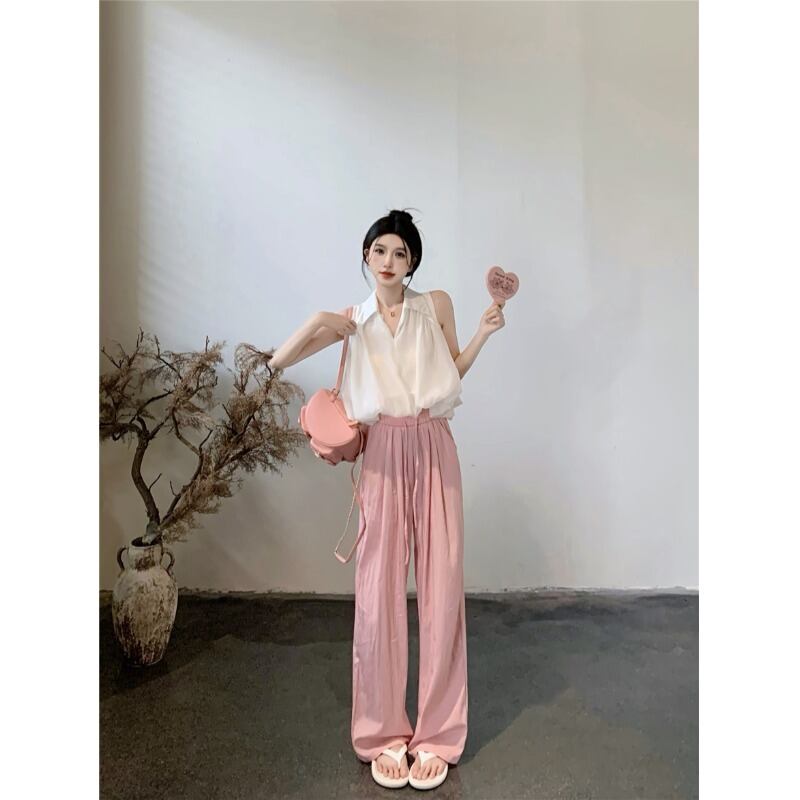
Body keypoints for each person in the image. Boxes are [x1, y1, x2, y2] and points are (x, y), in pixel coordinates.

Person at [268, 209, 505, 788]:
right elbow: (280, 359)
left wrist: (482, 332)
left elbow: (453, 371)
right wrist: (322, 319)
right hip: (382, 453)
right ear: (366, 256)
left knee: (442, 589)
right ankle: (382, 733)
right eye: (380, 251)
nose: (389, 262)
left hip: (433, 444)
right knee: (377, 595)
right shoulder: (353, 319)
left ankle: (438, 734)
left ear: (413, 261)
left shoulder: (435, 304)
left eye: (400, 253)